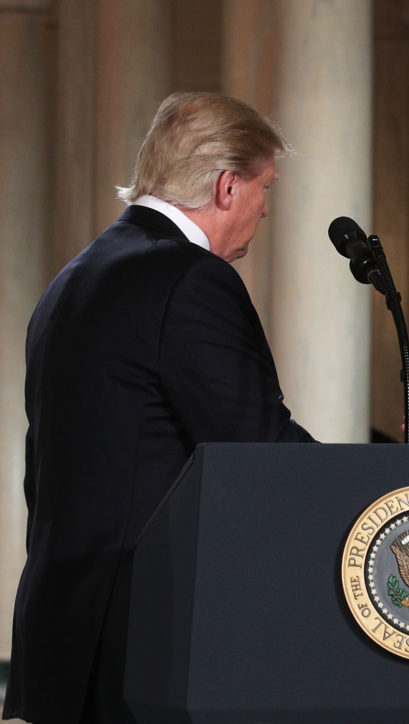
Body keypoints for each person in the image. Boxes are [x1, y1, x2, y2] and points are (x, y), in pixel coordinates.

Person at [4, 92, 315, 724]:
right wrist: (402, 477)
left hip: (67, 633)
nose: (264, 210)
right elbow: (262, 456)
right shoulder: (189, 278)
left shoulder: (75, 278)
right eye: (265, 189)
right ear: (228, 186)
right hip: (149, 647)